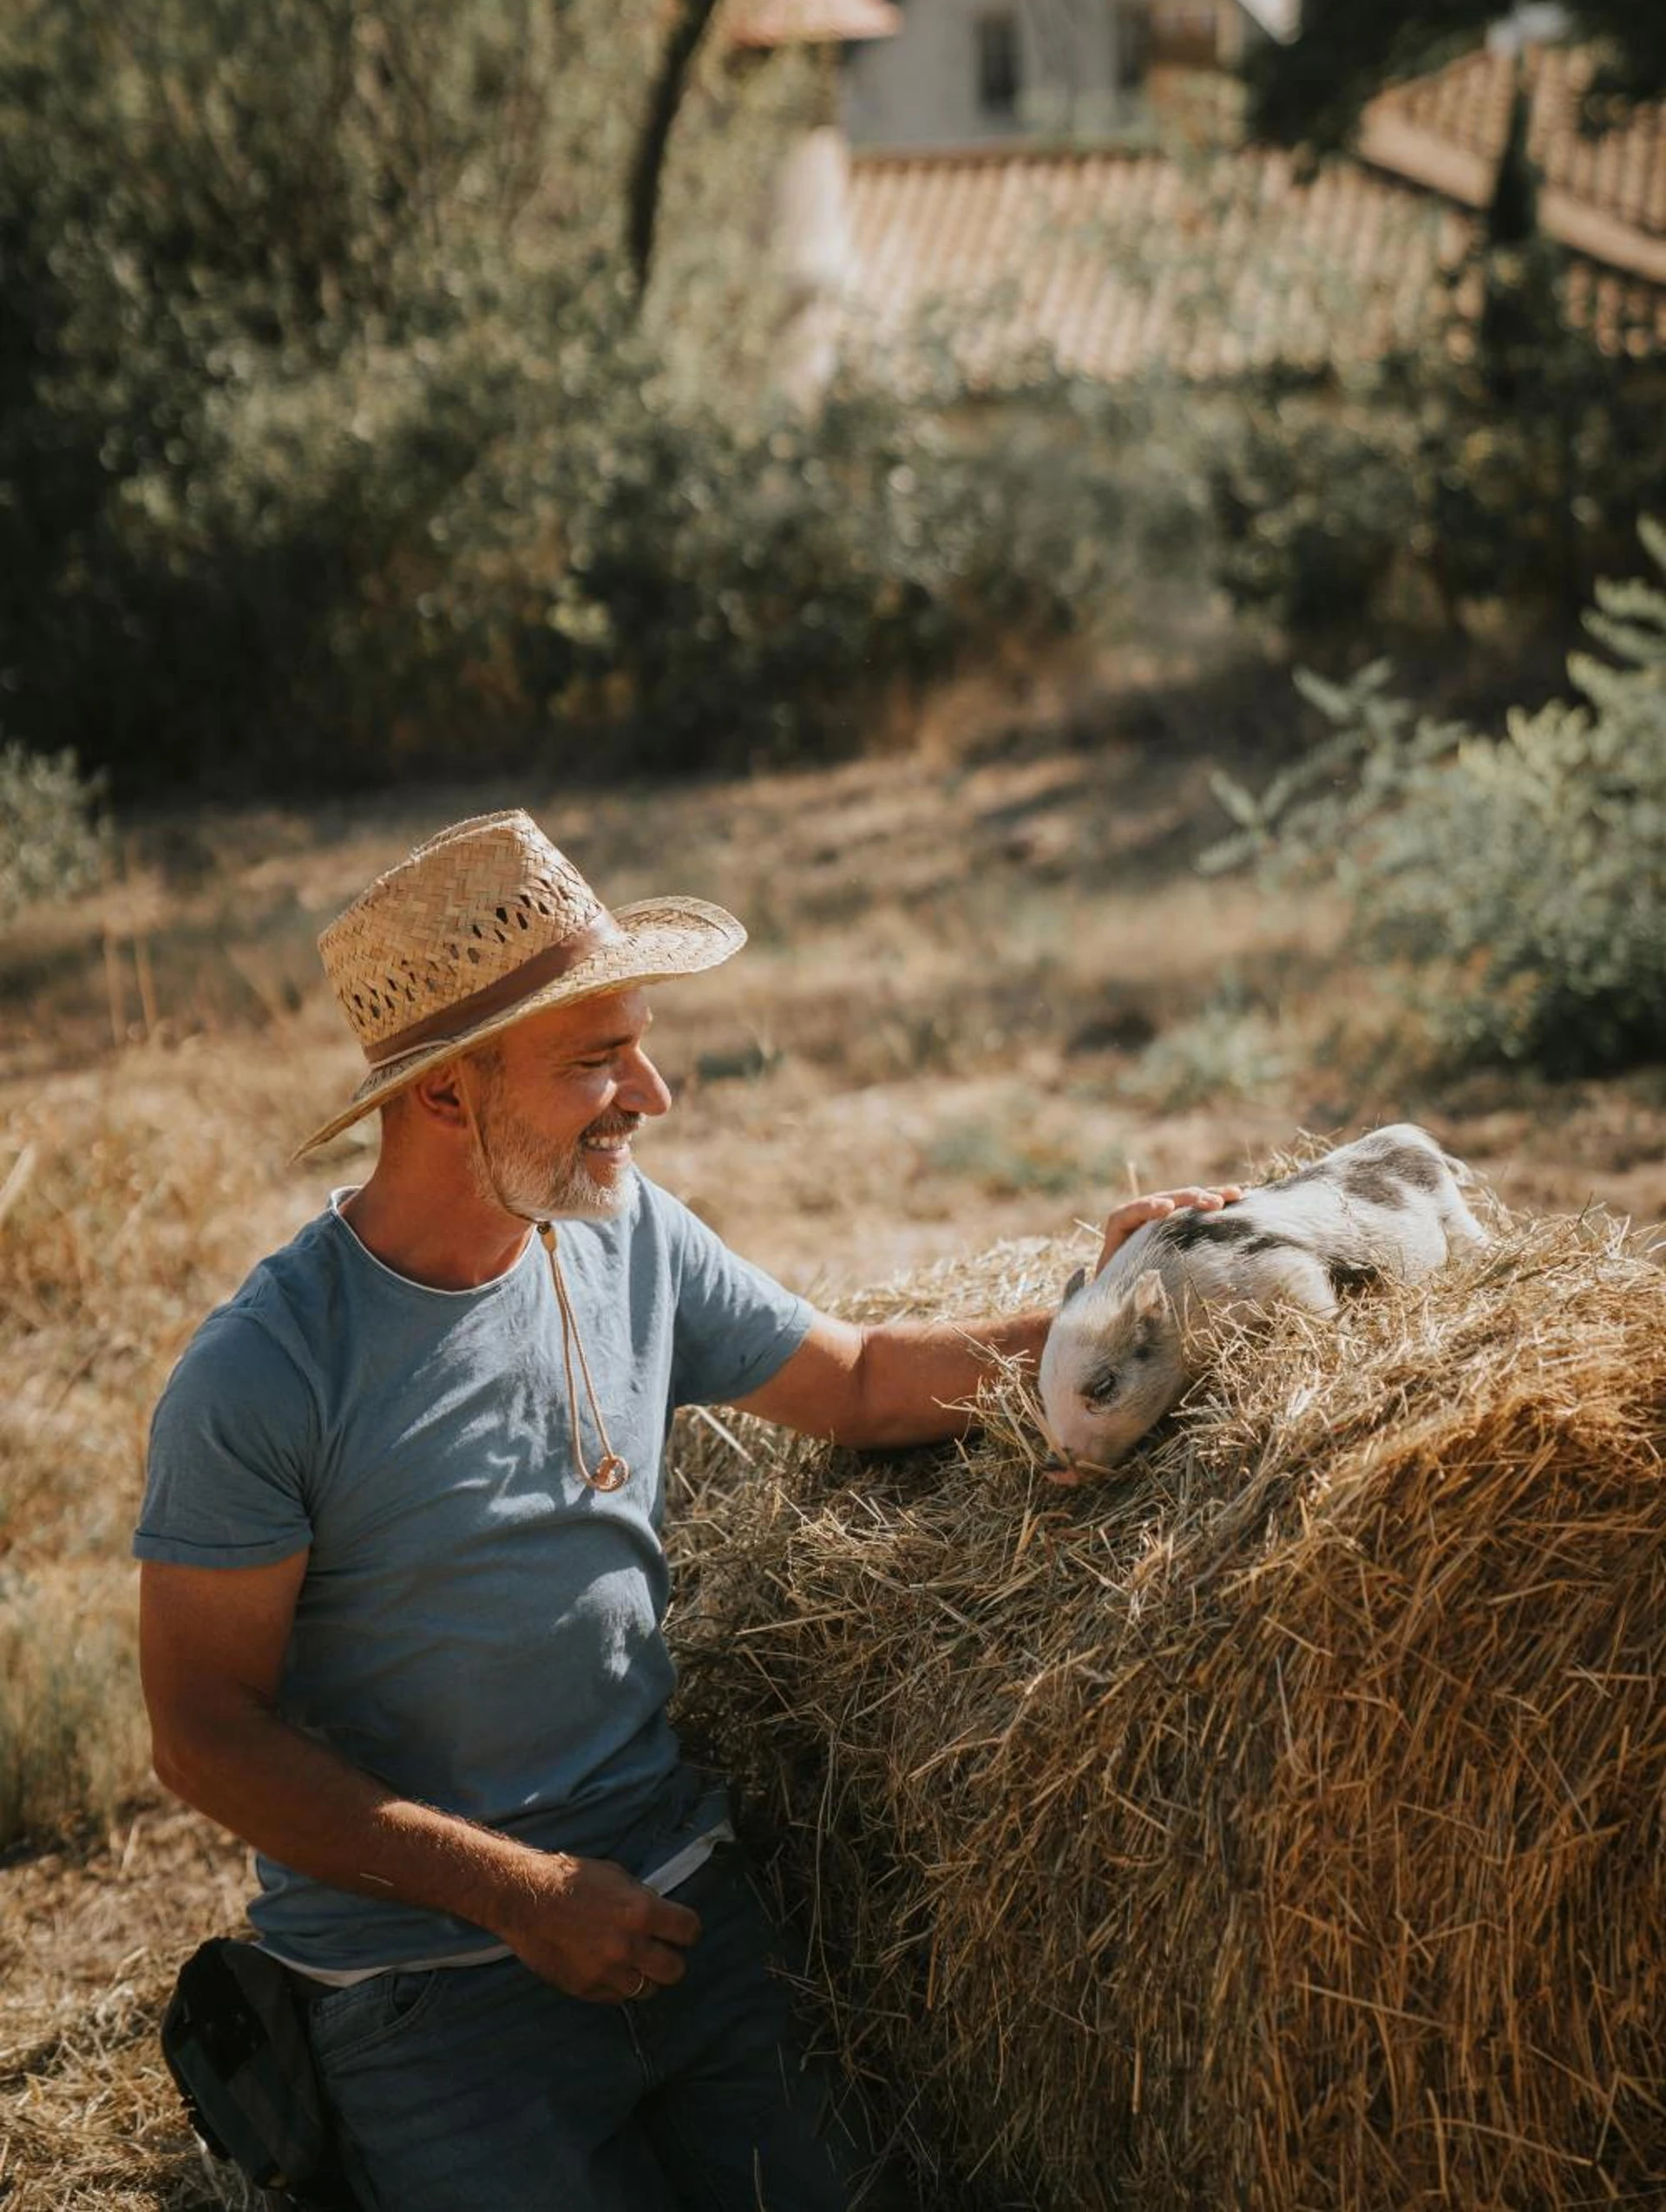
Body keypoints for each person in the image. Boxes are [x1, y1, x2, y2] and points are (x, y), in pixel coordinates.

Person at [134, 811, 1237, 2212]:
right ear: (442, 1096)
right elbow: (203, 1735)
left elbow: (858, 1381)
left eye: (637, 1042)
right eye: (595, 1060)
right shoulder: (267, 1373)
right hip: (431, 1985)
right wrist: (520, 1897)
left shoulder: (626, 1230)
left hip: (682, 1911)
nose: (650, 1093)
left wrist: (1123, 1308)